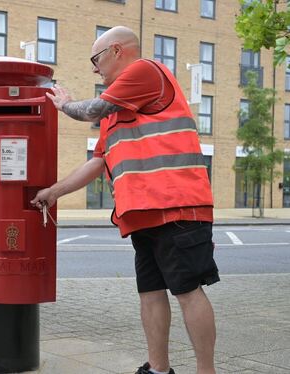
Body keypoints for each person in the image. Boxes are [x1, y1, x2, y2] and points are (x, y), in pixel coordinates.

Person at [30, 26, 218, 374]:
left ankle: (206, 371)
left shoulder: (145, 71)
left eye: (95, 59)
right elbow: (97, 161)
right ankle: (158, 369)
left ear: (117, 51)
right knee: (150, 293)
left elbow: (91, 109)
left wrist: (64, 103)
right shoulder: (116, 111)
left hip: (177, 207)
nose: (94, 68)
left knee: (188, 291)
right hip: (140, 214)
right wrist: (53, 192)